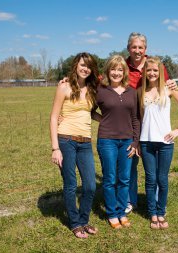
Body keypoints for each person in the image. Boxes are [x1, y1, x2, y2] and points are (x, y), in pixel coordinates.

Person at [125, 32, 178, 214]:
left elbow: (168, 85)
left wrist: (173, 86)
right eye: (134, 47)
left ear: (145, 49)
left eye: (140, 47)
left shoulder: (155, 65)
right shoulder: (122, 66)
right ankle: (131, 200)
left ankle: (156, 204)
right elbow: (102, 81)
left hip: (153, 123)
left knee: (156, 173)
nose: (137, 50)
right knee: (130, 163)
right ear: (128, 48)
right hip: (130, 121)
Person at [50, 52, 100, 238]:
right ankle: (75, 222)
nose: (85, 68)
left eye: (88, 66)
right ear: (75, 66)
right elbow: (54, 117)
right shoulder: (64, 87)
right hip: (66, 140)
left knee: (90, 186)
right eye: (82, 65)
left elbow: (91, 113)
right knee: (70, 184)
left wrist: (107, 121)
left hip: (85, 141)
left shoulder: (93, 89)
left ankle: (84, 219)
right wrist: (55, 148)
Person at [139, 56, 178, 229]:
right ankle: (152, 213)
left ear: (160, 72)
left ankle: (161, 212)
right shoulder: (140, 92)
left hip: (165, 143)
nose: (152, 73)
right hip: (146, 142)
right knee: (150, 179)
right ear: (144, 72)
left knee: (162, 179)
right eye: (149, 70)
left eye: (155, 70)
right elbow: (138, 118)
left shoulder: (168, 89)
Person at [94, 55, 140, 229]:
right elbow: (89, 110)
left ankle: (122, 212)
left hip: (127, 141)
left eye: (120, 69)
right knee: (110, 178)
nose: (116, 73)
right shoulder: (101, 90)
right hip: (107, 141)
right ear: (108, 71)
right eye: (113, 69)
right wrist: (104, 120)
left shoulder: (131, 92)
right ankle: (112, 213)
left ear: (124, 72)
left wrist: (135, 142)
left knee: (124, 179)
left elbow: (135, 118)